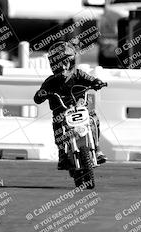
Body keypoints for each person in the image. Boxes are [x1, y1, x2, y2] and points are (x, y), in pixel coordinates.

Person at [34, 41, 107, 170]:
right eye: (58, 62)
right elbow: (37, 98)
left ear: (72, 61)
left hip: (80, 108)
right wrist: (42, 94)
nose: (63, 65)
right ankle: (62, 154)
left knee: (94, 119)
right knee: (57, 125)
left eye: (66, 61)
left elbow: (91, 80)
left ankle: (97, 148)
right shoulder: (50, 81)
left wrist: (97, 82)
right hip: (61, 113)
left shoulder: (79, 74)